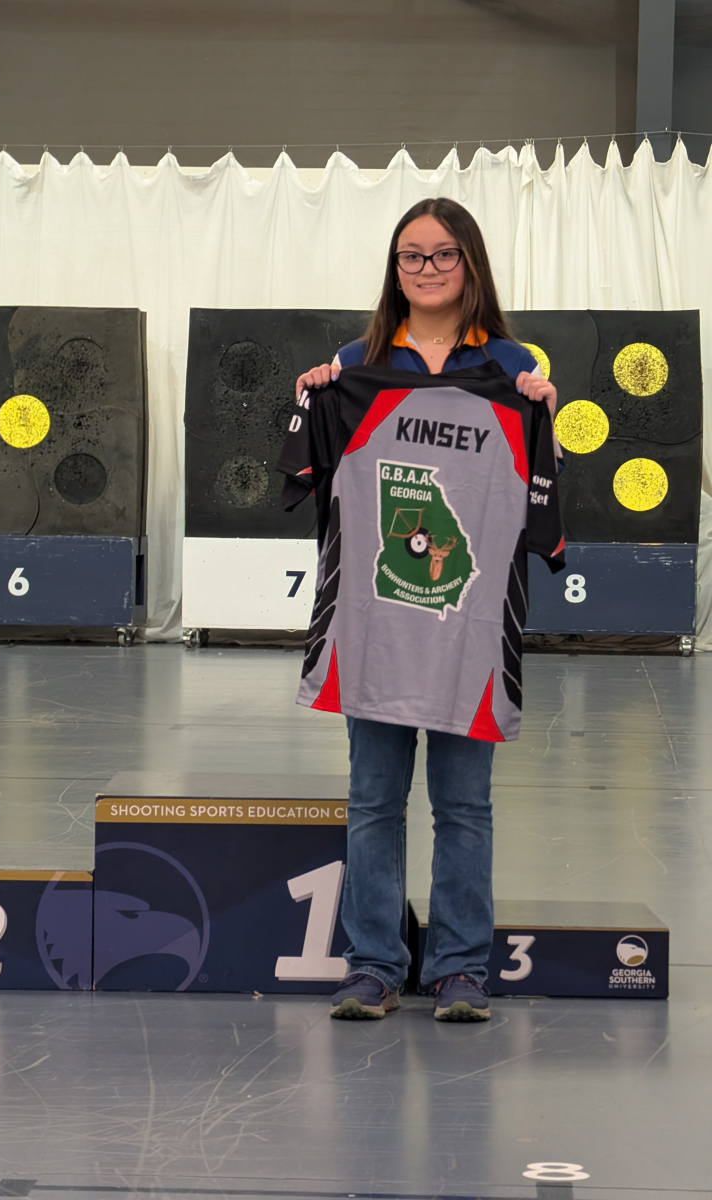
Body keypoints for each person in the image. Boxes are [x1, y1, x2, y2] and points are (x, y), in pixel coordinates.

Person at [278, 197, 561, 1023]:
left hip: (472, 633)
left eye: (443, 254)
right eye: (412, 255)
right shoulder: (355, 364)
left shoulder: (512, 368)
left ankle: (460, 971)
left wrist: (541, 409)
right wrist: (314, 397)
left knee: (464, 805)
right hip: (376, 627)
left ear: (470, 263)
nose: (427, 268)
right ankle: (373, 966)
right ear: (394, 268)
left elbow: (540, 497)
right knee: (374, 801)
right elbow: (304, 472)